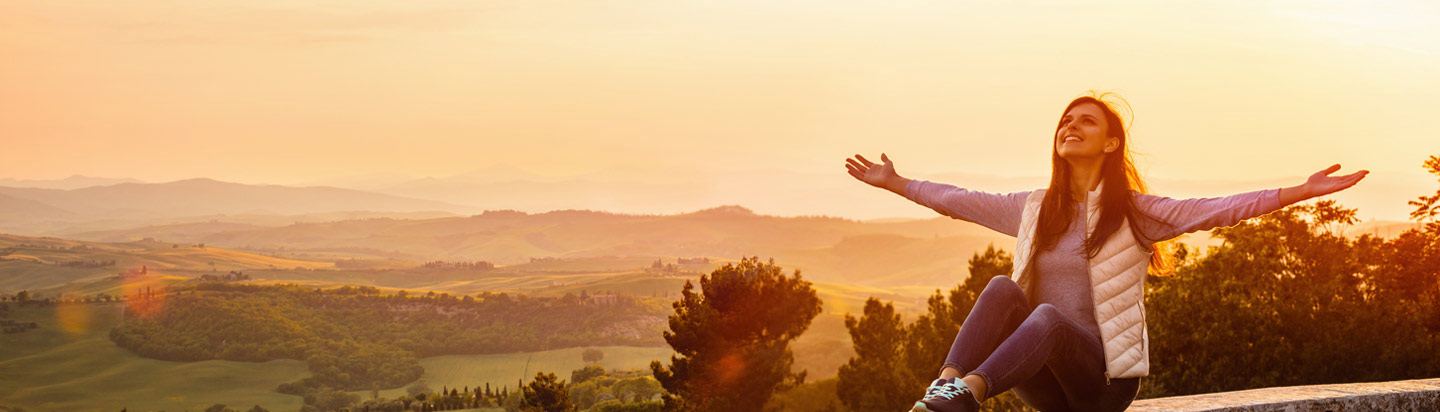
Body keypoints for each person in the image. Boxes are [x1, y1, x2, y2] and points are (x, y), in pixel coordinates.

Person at [844, 92, 1368, 412]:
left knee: (1047, 316)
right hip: (1045, 387)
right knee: (1004, 288)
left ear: (1112, 143)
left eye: (1086, 122)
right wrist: (896, 183)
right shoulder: (1033, 207)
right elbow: (957, 201)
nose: (1070, 128)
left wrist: (1298, 192)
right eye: (1064, 123)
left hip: (1103, 389)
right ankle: (947, 387)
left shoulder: (1135, 212)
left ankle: (970, 396)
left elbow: (1217, 209)